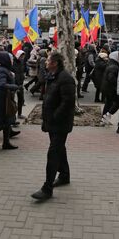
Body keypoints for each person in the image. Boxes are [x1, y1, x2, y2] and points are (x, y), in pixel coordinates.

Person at [31, 52, 75, 201]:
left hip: (60, 123)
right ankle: (64, 175)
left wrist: (54, 117)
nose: (45, 62)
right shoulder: (53, 77)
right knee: (59, 148)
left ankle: (47, 188)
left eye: (48, 60)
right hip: (52, 121)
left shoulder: (65, 79)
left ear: (55, 63)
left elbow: (67, 102)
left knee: (53, 152)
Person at [101, 51, 119, 125]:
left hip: (107, 87)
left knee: (109, 103)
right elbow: (111, 78)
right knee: (118, 102)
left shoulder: (111, 64)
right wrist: (117, 84)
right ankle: (106, 116)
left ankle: (104, 118)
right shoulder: (114, 66)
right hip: (110, 88)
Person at [13, 50, 26, 120]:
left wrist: (23, 78)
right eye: (21, 56)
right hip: (14, 83)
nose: (22, 58)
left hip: (20, 83)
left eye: (23, 56)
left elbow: (21, 72)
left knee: (21, 99)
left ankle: (19, 114)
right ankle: (13, 116)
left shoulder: (21, 62)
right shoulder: (13, 62)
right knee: (12, 101)